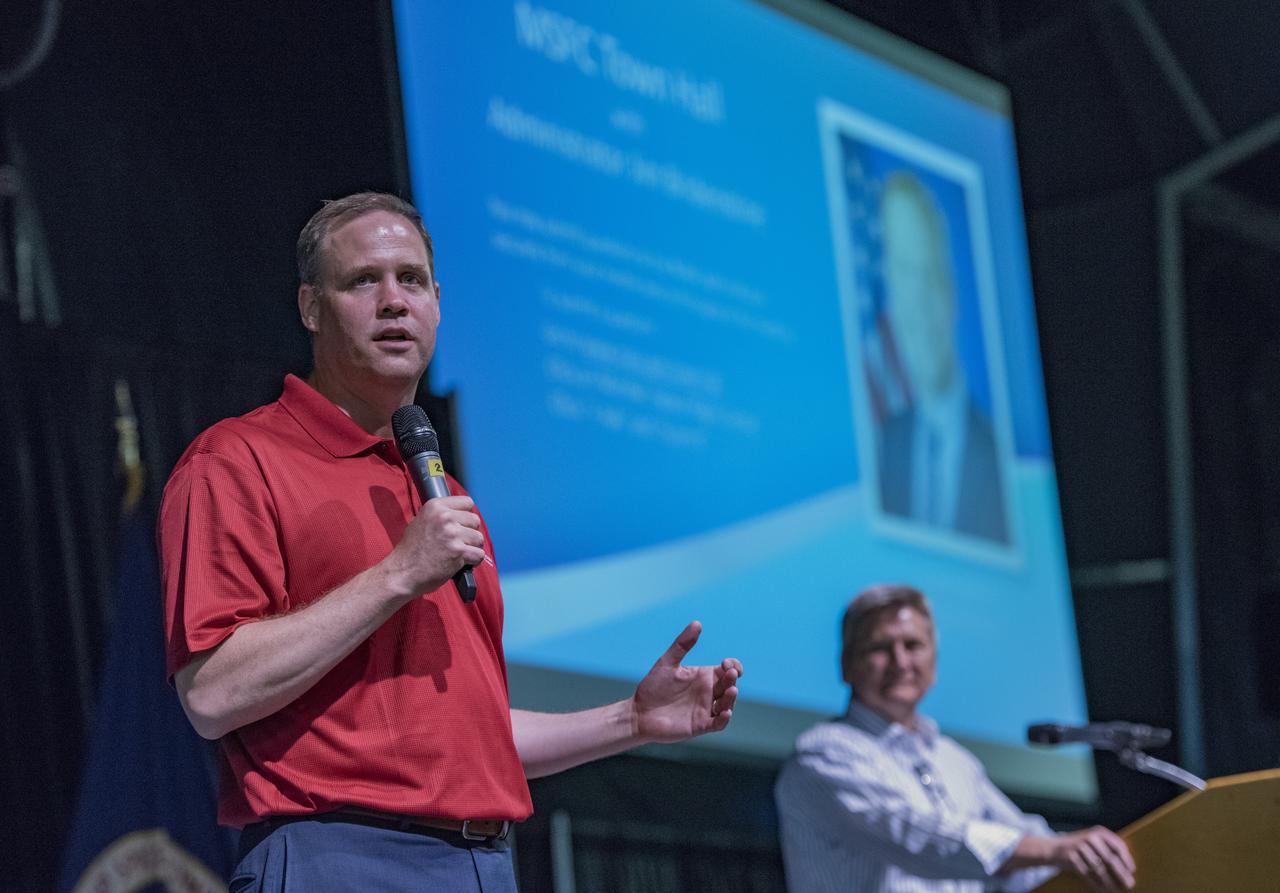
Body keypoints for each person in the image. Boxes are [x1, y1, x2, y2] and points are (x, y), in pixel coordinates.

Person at [158, 192, 743, 892]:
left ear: (437, 301)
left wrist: (632, 718)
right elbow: (213, 691)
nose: (393, 301)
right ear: (312, 308)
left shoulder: (445, 494)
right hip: (340, 857)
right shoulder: (238, 459)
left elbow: (473, 734)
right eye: (362, 281)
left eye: (411, 280)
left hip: (482, 862)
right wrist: (398, 573)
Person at [774, 584, 1135, 893]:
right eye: (880, 648)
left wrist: (1104, 856)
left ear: (934, 662)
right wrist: (1053, 850)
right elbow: (920, 838)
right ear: (847, 664)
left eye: (913, 645)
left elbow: (1025, 846)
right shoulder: (825, 753)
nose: (901, 662)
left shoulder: (953, 759)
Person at [875, 171, 1008, 543]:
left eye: (926, 274)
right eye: (904, 276)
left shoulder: (1001, 458)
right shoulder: (887, 445)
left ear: (950, 291)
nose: (917, 304)